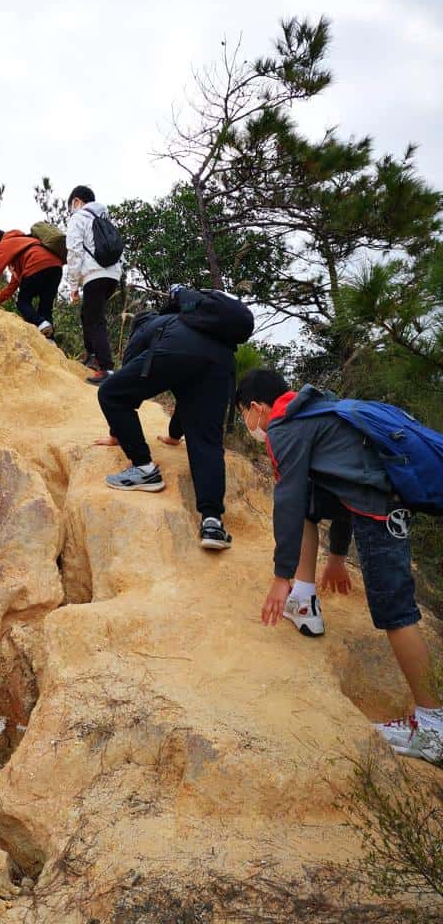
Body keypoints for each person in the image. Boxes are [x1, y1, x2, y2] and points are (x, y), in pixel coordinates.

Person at [236, 368, 443, 761]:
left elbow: (289, 500)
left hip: (383, 512)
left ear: (257, 408)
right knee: (312, 505)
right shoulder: (316, 410)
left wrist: (280, 577)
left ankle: (434, 727)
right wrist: (334, 557)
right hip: (374, 499)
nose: (249, 425)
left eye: (245, 415)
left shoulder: (285, 427)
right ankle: (305, 598)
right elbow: (336, 485)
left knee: (395, 612)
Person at [95, 307, 233, 550]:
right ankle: (212, 523)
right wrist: (173, 436)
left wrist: (116, 434)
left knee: (109, 393)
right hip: (223, 361)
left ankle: (144, 469)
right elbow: (188, 401)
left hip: (178, 353)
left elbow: (124, 390)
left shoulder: (147, 328)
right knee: (207, 441)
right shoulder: (192, 326)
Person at [66, 186, 123, 384]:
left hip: (95, 275)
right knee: (88, 314)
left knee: (95, 319)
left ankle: (106, 368)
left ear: (76, 201)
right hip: (113, 275)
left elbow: (74, 252)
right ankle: (91, 356)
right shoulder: (105, 219)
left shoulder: (79, 217)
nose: (71, 210)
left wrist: (73, 285)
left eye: (71, 206)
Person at [0, 229, 63, 337]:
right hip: (56, 267)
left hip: (36, 264)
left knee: (23, 302)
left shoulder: (5, 244)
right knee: (45, 306)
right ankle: (49, 339)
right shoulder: (22, 242)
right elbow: (12, 286)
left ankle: (40, 323)